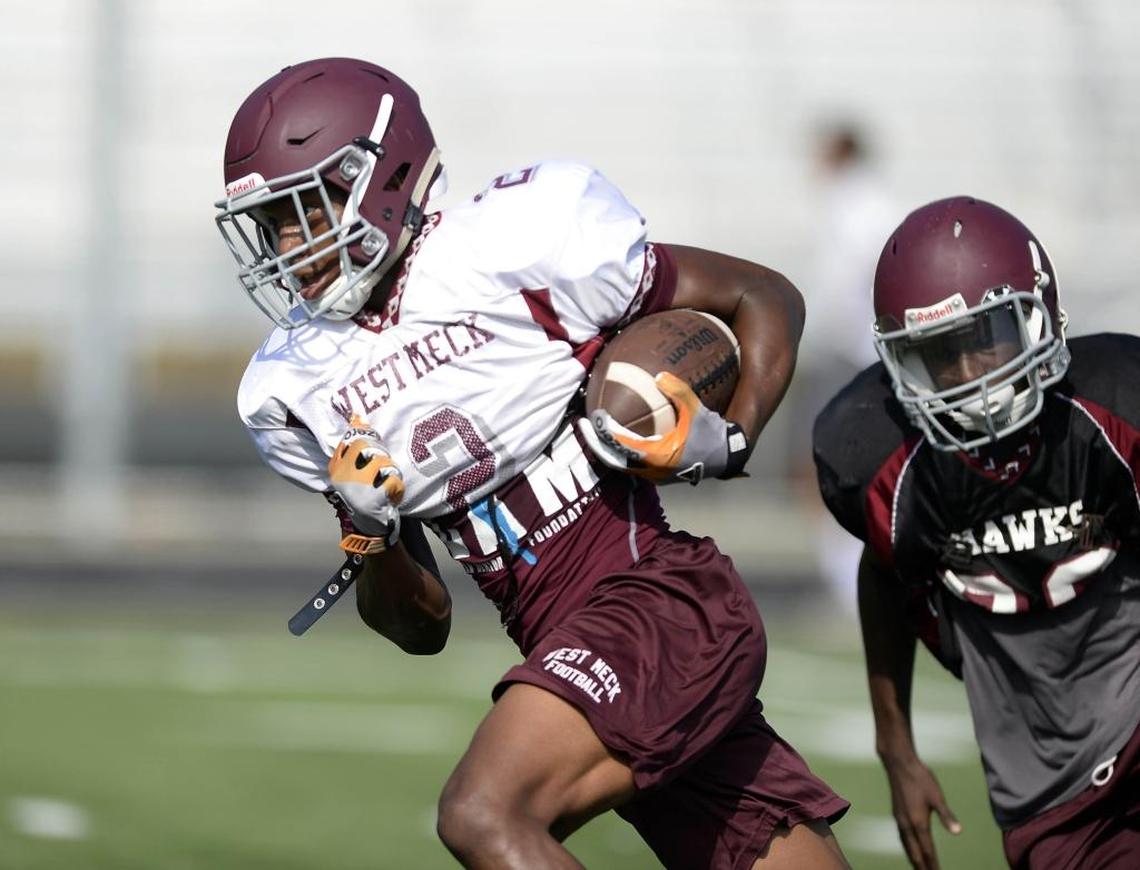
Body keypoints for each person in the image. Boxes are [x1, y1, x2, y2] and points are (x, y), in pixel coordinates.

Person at [214, 58, 849, 869]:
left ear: (379, 177)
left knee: (483, 813)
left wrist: (732, 438)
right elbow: (421, 627)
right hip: (578, 646)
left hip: (658, 603)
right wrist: (367, 532)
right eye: (274, 225)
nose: (291, 248)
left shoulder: (511, 245)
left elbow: (763, 295)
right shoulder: (301, 383)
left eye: (306, 211)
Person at [812, 196, 1140, 869]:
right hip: (1047, 778)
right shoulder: (880, 461)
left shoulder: (1116, 405)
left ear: (1038, 314)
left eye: (985, 336)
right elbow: (886, 574)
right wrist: (896, 750)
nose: (970, 379)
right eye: (939, 356)